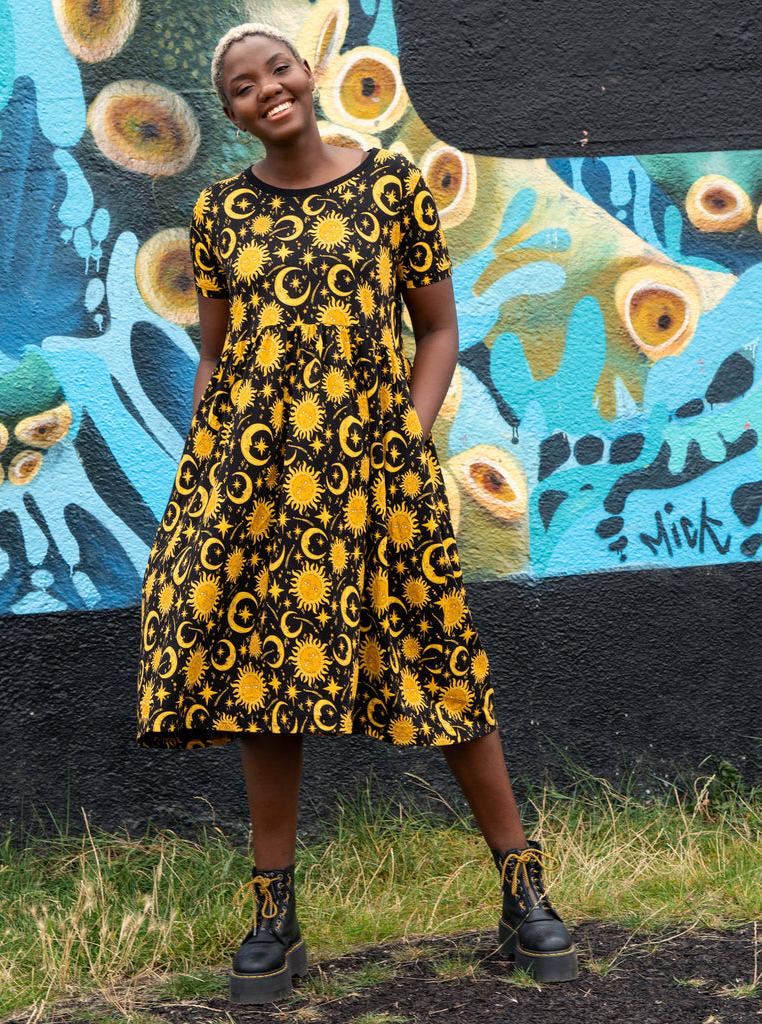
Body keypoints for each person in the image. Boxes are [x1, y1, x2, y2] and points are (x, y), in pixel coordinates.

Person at [137, 22, 577, 1003]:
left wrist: (406, 440)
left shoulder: (390, 187)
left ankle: (523, 893)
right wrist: (210, 459)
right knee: (264, 682)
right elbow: (214, 351)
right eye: (244, 86)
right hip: (258, 482)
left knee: (443, 665)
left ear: (311, 74)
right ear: (233, 111)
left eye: (278, 70)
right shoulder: (218, 215)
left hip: (381, 476)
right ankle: (275, 917)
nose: (268, 90)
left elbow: (438, 328)